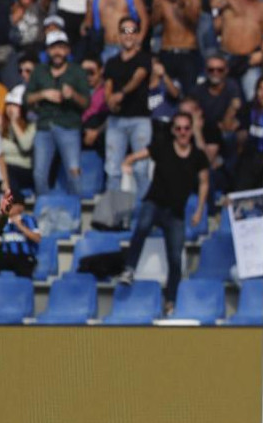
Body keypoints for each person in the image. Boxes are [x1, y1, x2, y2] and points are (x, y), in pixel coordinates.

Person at [117, 112, 209, 313]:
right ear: (173, 131)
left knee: (175, 258)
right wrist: (128, 161)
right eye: (178, 128)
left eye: (186, 128)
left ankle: (171, 300)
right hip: (155, 202)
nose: (183, 132)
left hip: (176, 212)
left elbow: (204, 182)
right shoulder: (163, 147)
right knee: (141, 227)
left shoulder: (198, 156)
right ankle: (129, 269)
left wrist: (200, 210)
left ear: (191, 130)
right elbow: (140, 154)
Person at [26, 31, 89, 196]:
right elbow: (27, 98)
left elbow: (86, 102)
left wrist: (73, 95)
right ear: (47, 51)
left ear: (68, 50)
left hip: (69, 126)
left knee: (74, 173)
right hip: (45, 126)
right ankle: (44, 212)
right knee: (39, 174)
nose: (58, 52)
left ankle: (74, 214)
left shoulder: (77, 72)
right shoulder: (39, 71)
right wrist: (43, 94)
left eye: (61, 47)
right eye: (54, 48)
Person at [103, 16, 152, 196]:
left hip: (139, 119)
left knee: (140, 169)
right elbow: (107, 84)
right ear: (119, 35)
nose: (128, 35)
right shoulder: (112, 62)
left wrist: (120, 95)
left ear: (138, 34)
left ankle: (144, 216)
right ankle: (112, 218)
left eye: (132, 31)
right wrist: (110, 100)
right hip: (116, 120)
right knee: (112, 169)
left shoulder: (144, 58)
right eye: (124, 31)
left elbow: (138, 78)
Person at [210, 0, 263, 101]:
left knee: (253, 96)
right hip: (226, 58)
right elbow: (215, 27)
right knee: (223, 97)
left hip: (250, 60)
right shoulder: (227, 5)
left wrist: (262, 53)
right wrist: (218, 11)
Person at [151, 0, 203, 96]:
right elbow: (154, 22)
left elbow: (194, 20)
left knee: (190, 94)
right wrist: (157, 8)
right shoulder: (162, 2)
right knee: (165, 91)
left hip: (188, 52)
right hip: (167, 51)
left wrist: (182, 6)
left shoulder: (193, 2)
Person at [1, 86, 35, 194]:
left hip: (23, 169)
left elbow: (25, 145)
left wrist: (14, 122)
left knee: (8, 173)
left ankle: (14, 205)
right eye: (9, 104)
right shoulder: (3, 124)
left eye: (15, 105)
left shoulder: (32, 126)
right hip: (4, 168)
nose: (10, 108)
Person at [0, 191, 39, 277]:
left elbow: (37, 239)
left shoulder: (29, 220)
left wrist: (20, 226)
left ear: (21, 207)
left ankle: (24, 288)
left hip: (23, 256)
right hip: (5, 256)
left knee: (25, 265)